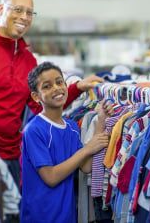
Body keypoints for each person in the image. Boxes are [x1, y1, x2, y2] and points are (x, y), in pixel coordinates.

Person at [0, 0, 103, 188]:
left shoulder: (28, 60)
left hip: (12, 158)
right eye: (18, 9)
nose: (24, 17)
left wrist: (78, 87)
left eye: (29, 12)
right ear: (1, 9)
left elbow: (41, 105)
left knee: (10, 218)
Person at [21, 61, 111, 222]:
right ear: (36, 96)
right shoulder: (34, 129)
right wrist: (87, 149)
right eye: (47, 86)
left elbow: (86, 167)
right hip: (41, 215)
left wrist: (100, 123)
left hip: (67, 215)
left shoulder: (71, 126)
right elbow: (51, 177)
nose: (56, 88)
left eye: (59, 82)